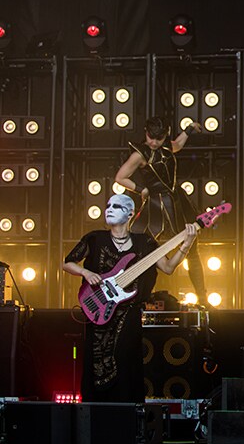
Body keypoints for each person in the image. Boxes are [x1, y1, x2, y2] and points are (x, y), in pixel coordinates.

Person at [63, 193, 196, 403]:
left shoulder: (144, 243)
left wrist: (187, 244)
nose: (109, 209)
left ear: (131, 213)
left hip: (129, 316)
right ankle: (94, 416)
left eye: (116, 206)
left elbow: (169, 268)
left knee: (127, 364)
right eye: (107, 205)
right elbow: (67, 262)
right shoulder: (95, 238)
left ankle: (127, 419)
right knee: (96, 364)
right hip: (98, 314)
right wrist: (86, 273)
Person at [115, 116, 207, 304]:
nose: (154, 142)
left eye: (159, 138)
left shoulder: (166, 146)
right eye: (151, 137)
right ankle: (132, 297)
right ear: (145, 132)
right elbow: (120, 177)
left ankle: (203, 297)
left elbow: (178, 145)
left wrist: (189, 129)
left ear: (165, 136)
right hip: (156, 204)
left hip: (176, 201)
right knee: (141, 250)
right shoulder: (140, 154)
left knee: (192, 248)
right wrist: (142, 190)